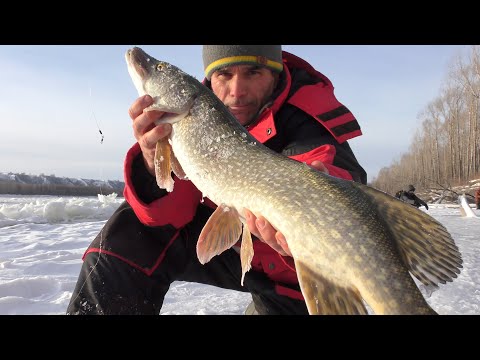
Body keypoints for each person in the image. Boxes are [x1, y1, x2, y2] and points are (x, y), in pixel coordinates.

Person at [66, 45, 367, 315]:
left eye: (253, 72)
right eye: (224, 74)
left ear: (276, 72)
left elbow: (340, 181)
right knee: (129, 230)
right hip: (231, 249)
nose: (237, 90)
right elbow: (170, 216)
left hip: (296, 276)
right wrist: (151, 159)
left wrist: (303, 234)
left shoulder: (308, 118)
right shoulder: (194, 115)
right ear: (209, 78)